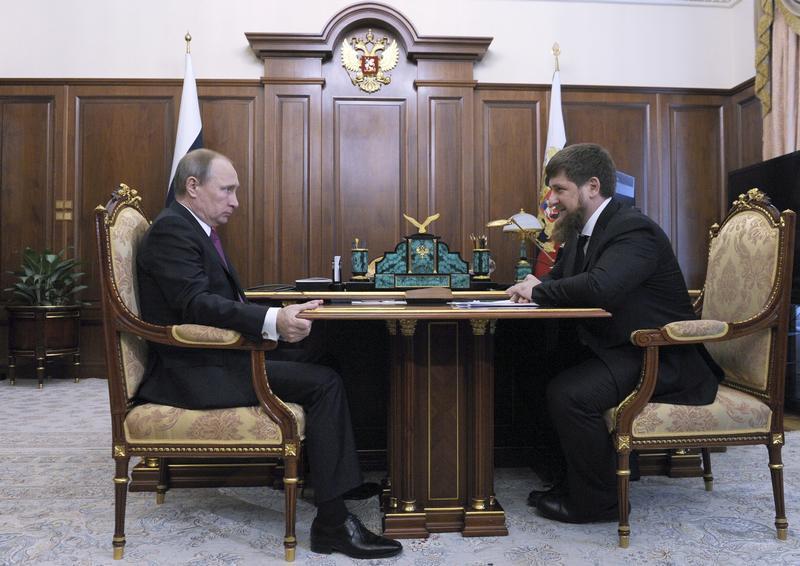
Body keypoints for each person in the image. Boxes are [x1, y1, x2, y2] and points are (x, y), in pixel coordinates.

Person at [135, 148, 401, 559]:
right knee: (325, 384)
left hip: (219, 358)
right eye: (226, 190)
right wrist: (273, 320)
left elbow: (214, 299)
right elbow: (195, 304)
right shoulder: (173, 230)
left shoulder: (190, 227)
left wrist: (276, 317)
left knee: (329, 356)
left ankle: (330, 480)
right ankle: (332, 523)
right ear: (192, 186)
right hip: (196, 370)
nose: (235, 201)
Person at [506, 143, 722, 524]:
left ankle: (600, 503)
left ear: (592, 186)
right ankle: (573, 481)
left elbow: (601, 286)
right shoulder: (582, 230)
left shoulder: (632, 227)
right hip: (619, 347)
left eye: (559, 189)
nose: (551, 200)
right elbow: (560, 278)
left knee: (570, 394)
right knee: (529, 371)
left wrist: (537, 290)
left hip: (660, 356)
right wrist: (534, 283)